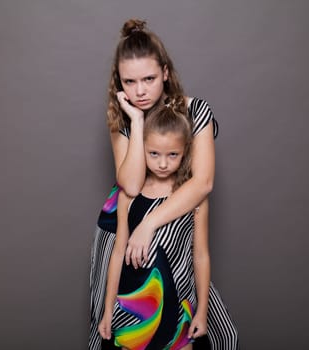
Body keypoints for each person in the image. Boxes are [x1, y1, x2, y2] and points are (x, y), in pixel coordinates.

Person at [89, 18, 239, 349]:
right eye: (129, 81)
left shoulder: (195, 111)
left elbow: (202, 182)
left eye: (149, 79)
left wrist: (150, 223)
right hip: (126, 222)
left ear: (166, 73)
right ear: (119, 82)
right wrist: (137, 121)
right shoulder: (124, 116)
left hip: (174, 214)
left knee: (205, 328)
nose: (140, 90)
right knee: (123, 326)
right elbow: (129, 183)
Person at [98, 102, 210, 349]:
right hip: (132, 308)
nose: (162, 164)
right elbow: (118, 254)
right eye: (154, 154)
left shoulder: (191, 196)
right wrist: (107, 309)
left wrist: (202, 310)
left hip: (179, 306)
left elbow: (200, 254)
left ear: (185, 152)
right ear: (143, 149)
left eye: (173, 155)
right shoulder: (130, 194)